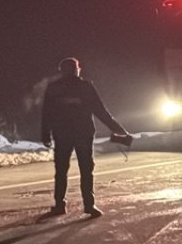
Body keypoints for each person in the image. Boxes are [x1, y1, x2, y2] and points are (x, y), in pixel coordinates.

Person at [40, 57, 130, 217]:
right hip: (83, 133)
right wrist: (118, 129)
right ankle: (89, 204)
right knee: (86, 169)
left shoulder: (54, 88)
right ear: (77, 69)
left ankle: (60, 205)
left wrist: (45, 133)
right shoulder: (85, 87)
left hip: (62, 134)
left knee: (61, 170)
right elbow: (100, 110)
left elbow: (47, 113)